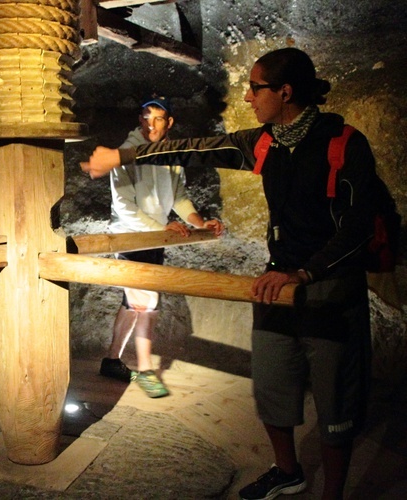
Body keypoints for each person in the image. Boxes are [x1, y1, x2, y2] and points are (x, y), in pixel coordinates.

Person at [81, 47, 378, 500]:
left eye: (255, 87)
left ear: (285, 91)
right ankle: (287, 469)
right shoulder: (265, 142)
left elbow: (357, 227)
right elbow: (197, 150)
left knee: (336, 406)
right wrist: (121, 158)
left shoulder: (344, 144)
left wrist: (305, 274)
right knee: (273, 387)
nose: (246, 97)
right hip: (275, 283)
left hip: (330, 289)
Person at [99, 97, 224, 399]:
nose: (150, 124)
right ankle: (144, 369)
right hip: (131, 237)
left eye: (157, 118)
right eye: (145, 117)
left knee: (134, 303)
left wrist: (197, 221)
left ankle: (112, 361)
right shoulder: (124, 155)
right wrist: (162, 227)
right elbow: (125, 208)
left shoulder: (172, 155)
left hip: (155, 237)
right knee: (147, 305)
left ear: (169, 123)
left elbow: (179, 196)